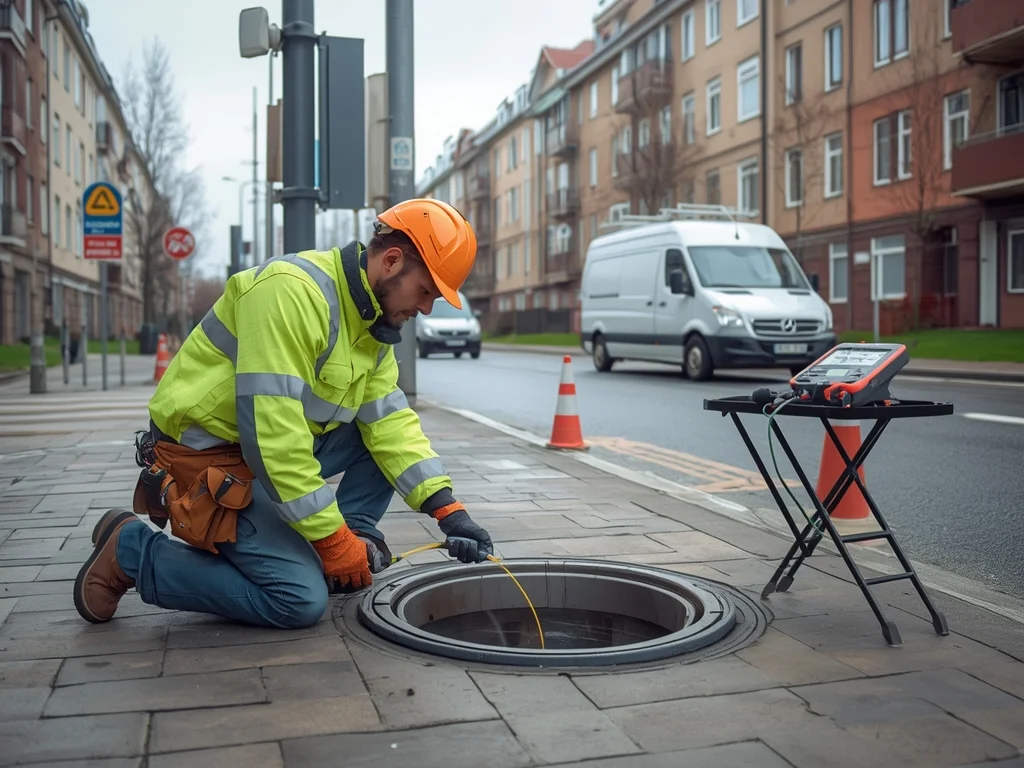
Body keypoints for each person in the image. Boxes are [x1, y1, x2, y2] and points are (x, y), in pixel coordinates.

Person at [73, 199, 494, 629]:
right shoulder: (290, 293)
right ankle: (131, 550)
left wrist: (450, 512)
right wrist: (331, 541)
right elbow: (273, 439)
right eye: (426, 291)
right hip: (205, 456)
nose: (426, 309)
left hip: (254, 453)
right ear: (391, 261)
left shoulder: (372, 327)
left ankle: (349, 538)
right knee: (298, 599)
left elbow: (391, 423)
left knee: (375, 436)